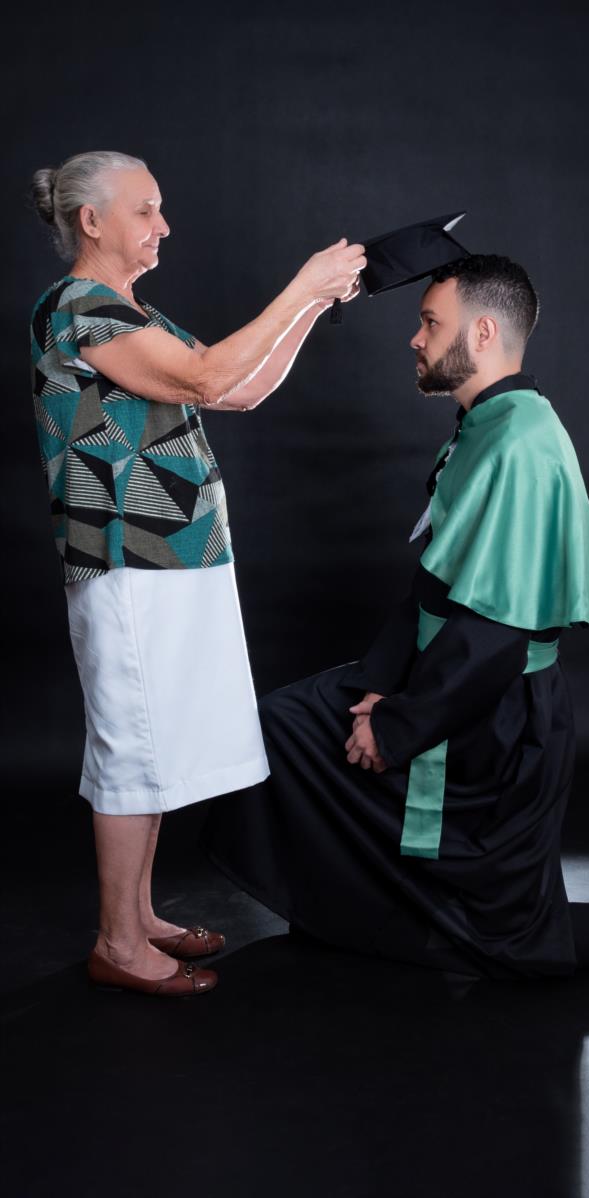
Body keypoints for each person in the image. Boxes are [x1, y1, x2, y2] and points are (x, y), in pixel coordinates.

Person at [207, 253, 589, 980]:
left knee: (514, 946)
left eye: (430, 323)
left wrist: (394, 725)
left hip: (500, 721)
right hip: (441, 678)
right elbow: (432, 582)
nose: (415, 340)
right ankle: (374, 916)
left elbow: (497, 636)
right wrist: (376, 684)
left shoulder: (521, 441)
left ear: (482, 333)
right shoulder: (485, 422)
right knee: (284, 728)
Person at [29, 149, 366, 996]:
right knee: (130, 743)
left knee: (154, 740)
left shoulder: (131, 312)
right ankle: (118, 943)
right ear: (91, 221)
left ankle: (137, 917)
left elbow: (237, 389)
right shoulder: (78, 310)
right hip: (128, 557)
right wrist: (302, 284)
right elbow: (209, 374)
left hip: (176, 557)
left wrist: (313, 305)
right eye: (145, 210)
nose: (163, 226)